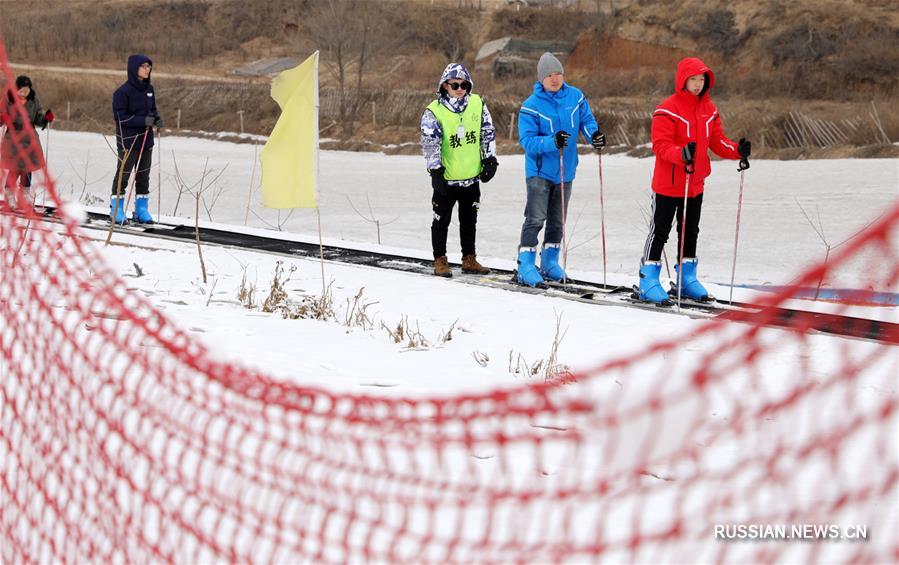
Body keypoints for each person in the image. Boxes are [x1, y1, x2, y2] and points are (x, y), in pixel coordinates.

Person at [637, 57, 751, 304]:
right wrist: (681, 154)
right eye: (693, 79)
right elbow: (661, 146)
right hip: (669, 184)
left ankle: (686, 279)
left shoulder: (709, 110)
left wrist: (736, 150)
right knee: (660, 231)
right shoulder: (667, 109)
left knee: (690, 232)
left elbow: (717, 140)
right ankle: (647, 279)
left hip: (695, 183)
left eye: (702, 80)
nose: (698, 84)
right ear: (683, 80)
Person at [516, 52, 605, 287]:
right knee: (535, 218)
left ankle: (550, 262)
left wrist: (594, 135)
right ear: (541, 79)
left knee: (558, 221)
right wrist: (552, 142)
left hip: (566, 170)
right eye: (549, 75)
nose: (555, 79)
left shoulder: (575, 96)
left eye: (558, 74)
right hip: (539, 171)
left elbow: (587, 121)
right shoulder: (530, 106)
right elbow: (527, 141)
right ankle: (525, 264)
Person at [419, 63, 497, 277]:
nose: (460, 88)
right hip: (447, 179)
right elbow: (430, 144)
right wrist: (435, 172)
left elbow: (487, 132)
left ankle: (469, 258)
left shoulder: (478, 104)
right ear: (445, 85)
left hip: (471, 178)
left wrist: (490, 159)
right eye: (455, 85)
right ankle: (440, 259)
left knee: (469, 220)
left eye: (464, 84)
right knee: (441, 220)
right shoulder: (434, 111)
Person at [111, 54, 163, 224]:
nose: (147, 70)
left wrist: (156, 119)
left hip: (146, 140)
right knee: (123, 175)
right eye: (144, 66)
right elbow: (121, 118)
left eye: (149, 67)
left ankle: (141, 209)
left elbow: (152, 110)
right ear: (134, 68)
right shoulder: (122, 92)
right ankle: (116, 209)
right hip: (129, 141)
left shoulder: (149, 90)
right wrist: (143, 121)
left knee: (143, 175)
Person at [0, 75, 52, 209]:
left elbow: (38, 117)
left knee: (27, 168)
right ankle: (9, 196)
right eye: (22, 90)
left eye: (27, 90)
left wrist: (46, 118)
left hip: (29, 138)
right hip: (13, 138)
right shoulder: (8, 100)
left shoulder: (34, 100)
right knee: (14, 168)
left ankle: (24, 196)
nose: (24, 93)